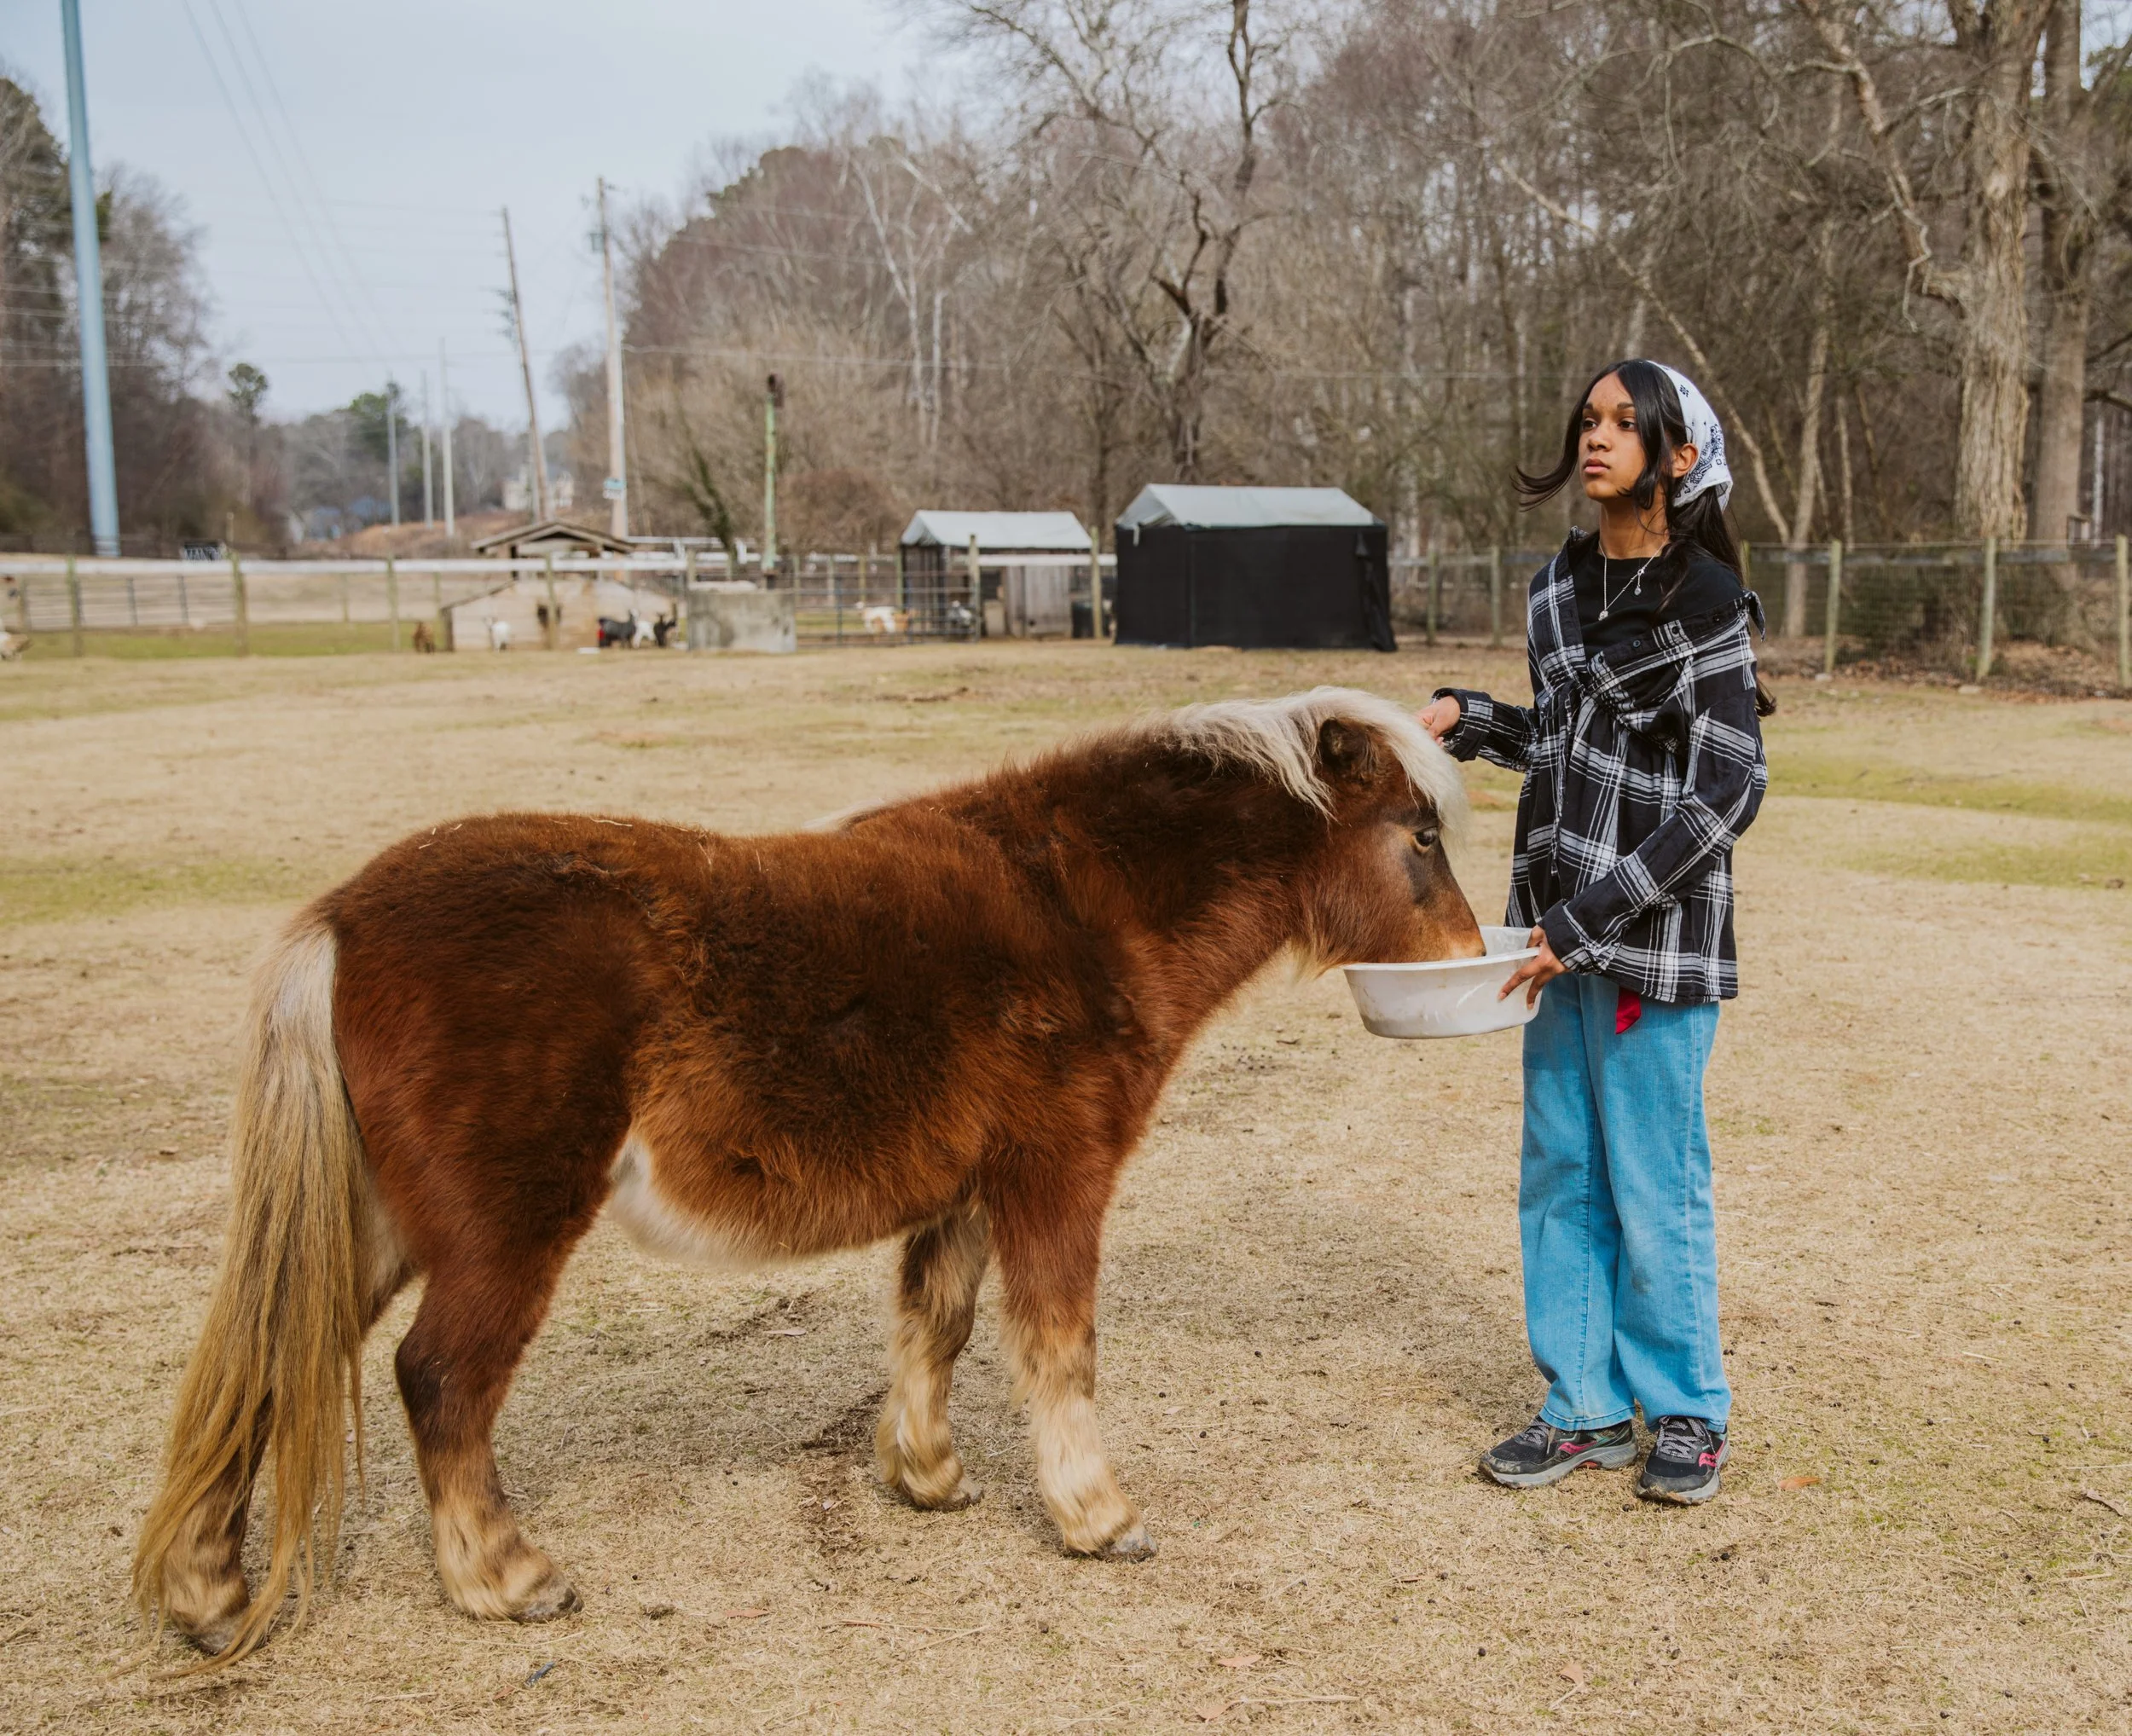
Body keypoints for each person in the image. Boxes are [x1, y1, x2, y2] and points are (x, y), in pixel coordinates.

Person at [1418, 359, 1771, 1505]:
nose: (1596, 438)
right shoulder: (1558, 589)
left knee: (1654, 1181)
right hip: (1552, 942)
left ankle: (1686, 1414)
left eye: (1626, 423)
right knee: (1561, 1169)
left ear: (1678, 457)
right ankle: (1582, 1408)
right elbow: (1568, 745)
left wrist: (1591, 915)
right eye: (1589, 420)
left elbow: (1726, 792)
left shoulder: (1707, 599)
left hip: (1648, 948)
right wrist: (1475, 724)